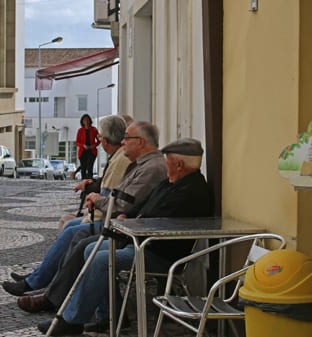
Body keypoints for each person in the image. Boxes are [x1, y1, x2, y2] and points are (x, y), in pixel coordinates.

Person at [35, 138, 215, 336]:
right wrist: (126, 216)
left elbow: (157, 222)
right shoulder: (172, 182)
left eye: (168, 160)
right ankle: (106, 314)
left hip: (158, 255)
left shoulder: (190, 191)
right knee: (90, 249)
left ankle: (73, 320)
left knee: (102, 259)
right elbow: (145, 205)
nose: (165, 164)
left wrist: (129, 224)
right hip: (141, 244)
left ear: (179, 165)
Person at [2, 121, 166, 296]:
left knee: (77, 235)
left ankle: (52, 291)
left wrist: (97, 199)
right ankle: (46, 283)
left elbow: (120, 201)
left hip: (124, 228)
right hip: (120, 223)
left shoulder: (147, 166)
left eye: (127, 138)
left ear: (140, 142)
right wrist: (96, 192)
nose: (123, 142)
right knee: (73, 229)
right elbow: (117, 193)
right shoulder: (140, 163)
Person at [75, 114, 100, 180]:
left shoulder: (94, 130)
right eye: (84, 120)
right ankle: (83, 181)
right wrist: (83, 145)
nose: (86, 121)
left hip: (92, 151)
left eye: (87, 120)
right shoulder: (80, 130)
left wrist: (93, 145)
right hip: (83, 151)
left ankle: (90, 181)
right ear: (82, 122)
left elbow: (99, 140)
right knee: (83, 167)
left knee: (90, 167)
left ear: (90, 120)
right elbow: (77, 142)